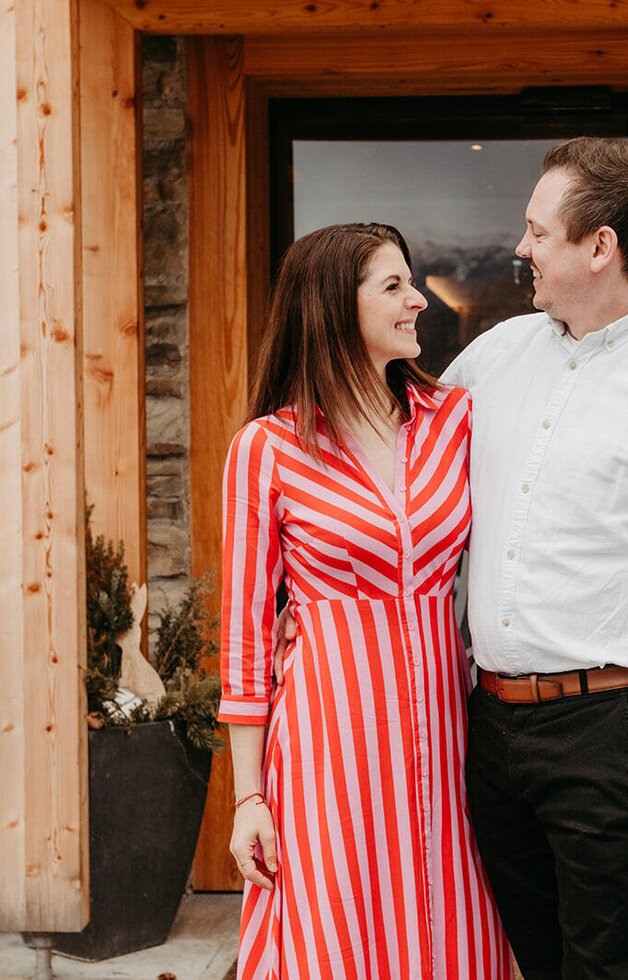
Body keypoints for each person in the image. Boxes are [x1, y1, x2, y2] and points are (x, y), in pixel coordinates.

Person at [442, 137, 628, 978]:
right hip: (491, 727)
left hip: (612, 737)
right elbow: (398, 471)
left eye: (539, 232)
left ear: (600, 247)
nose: (521, 249)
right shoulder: (492, 358)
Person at [218, 222, 511, 979]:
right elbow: (247, 641)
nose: (419, 298)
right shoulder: (268, 448)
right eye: (393, 286)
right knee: (339, 940)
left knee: (454, 932)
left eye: (411, 281)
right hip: (327, 748)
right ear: (331, 307)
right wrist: (250, 798)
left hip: (451, 738)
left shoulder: (457, 423)